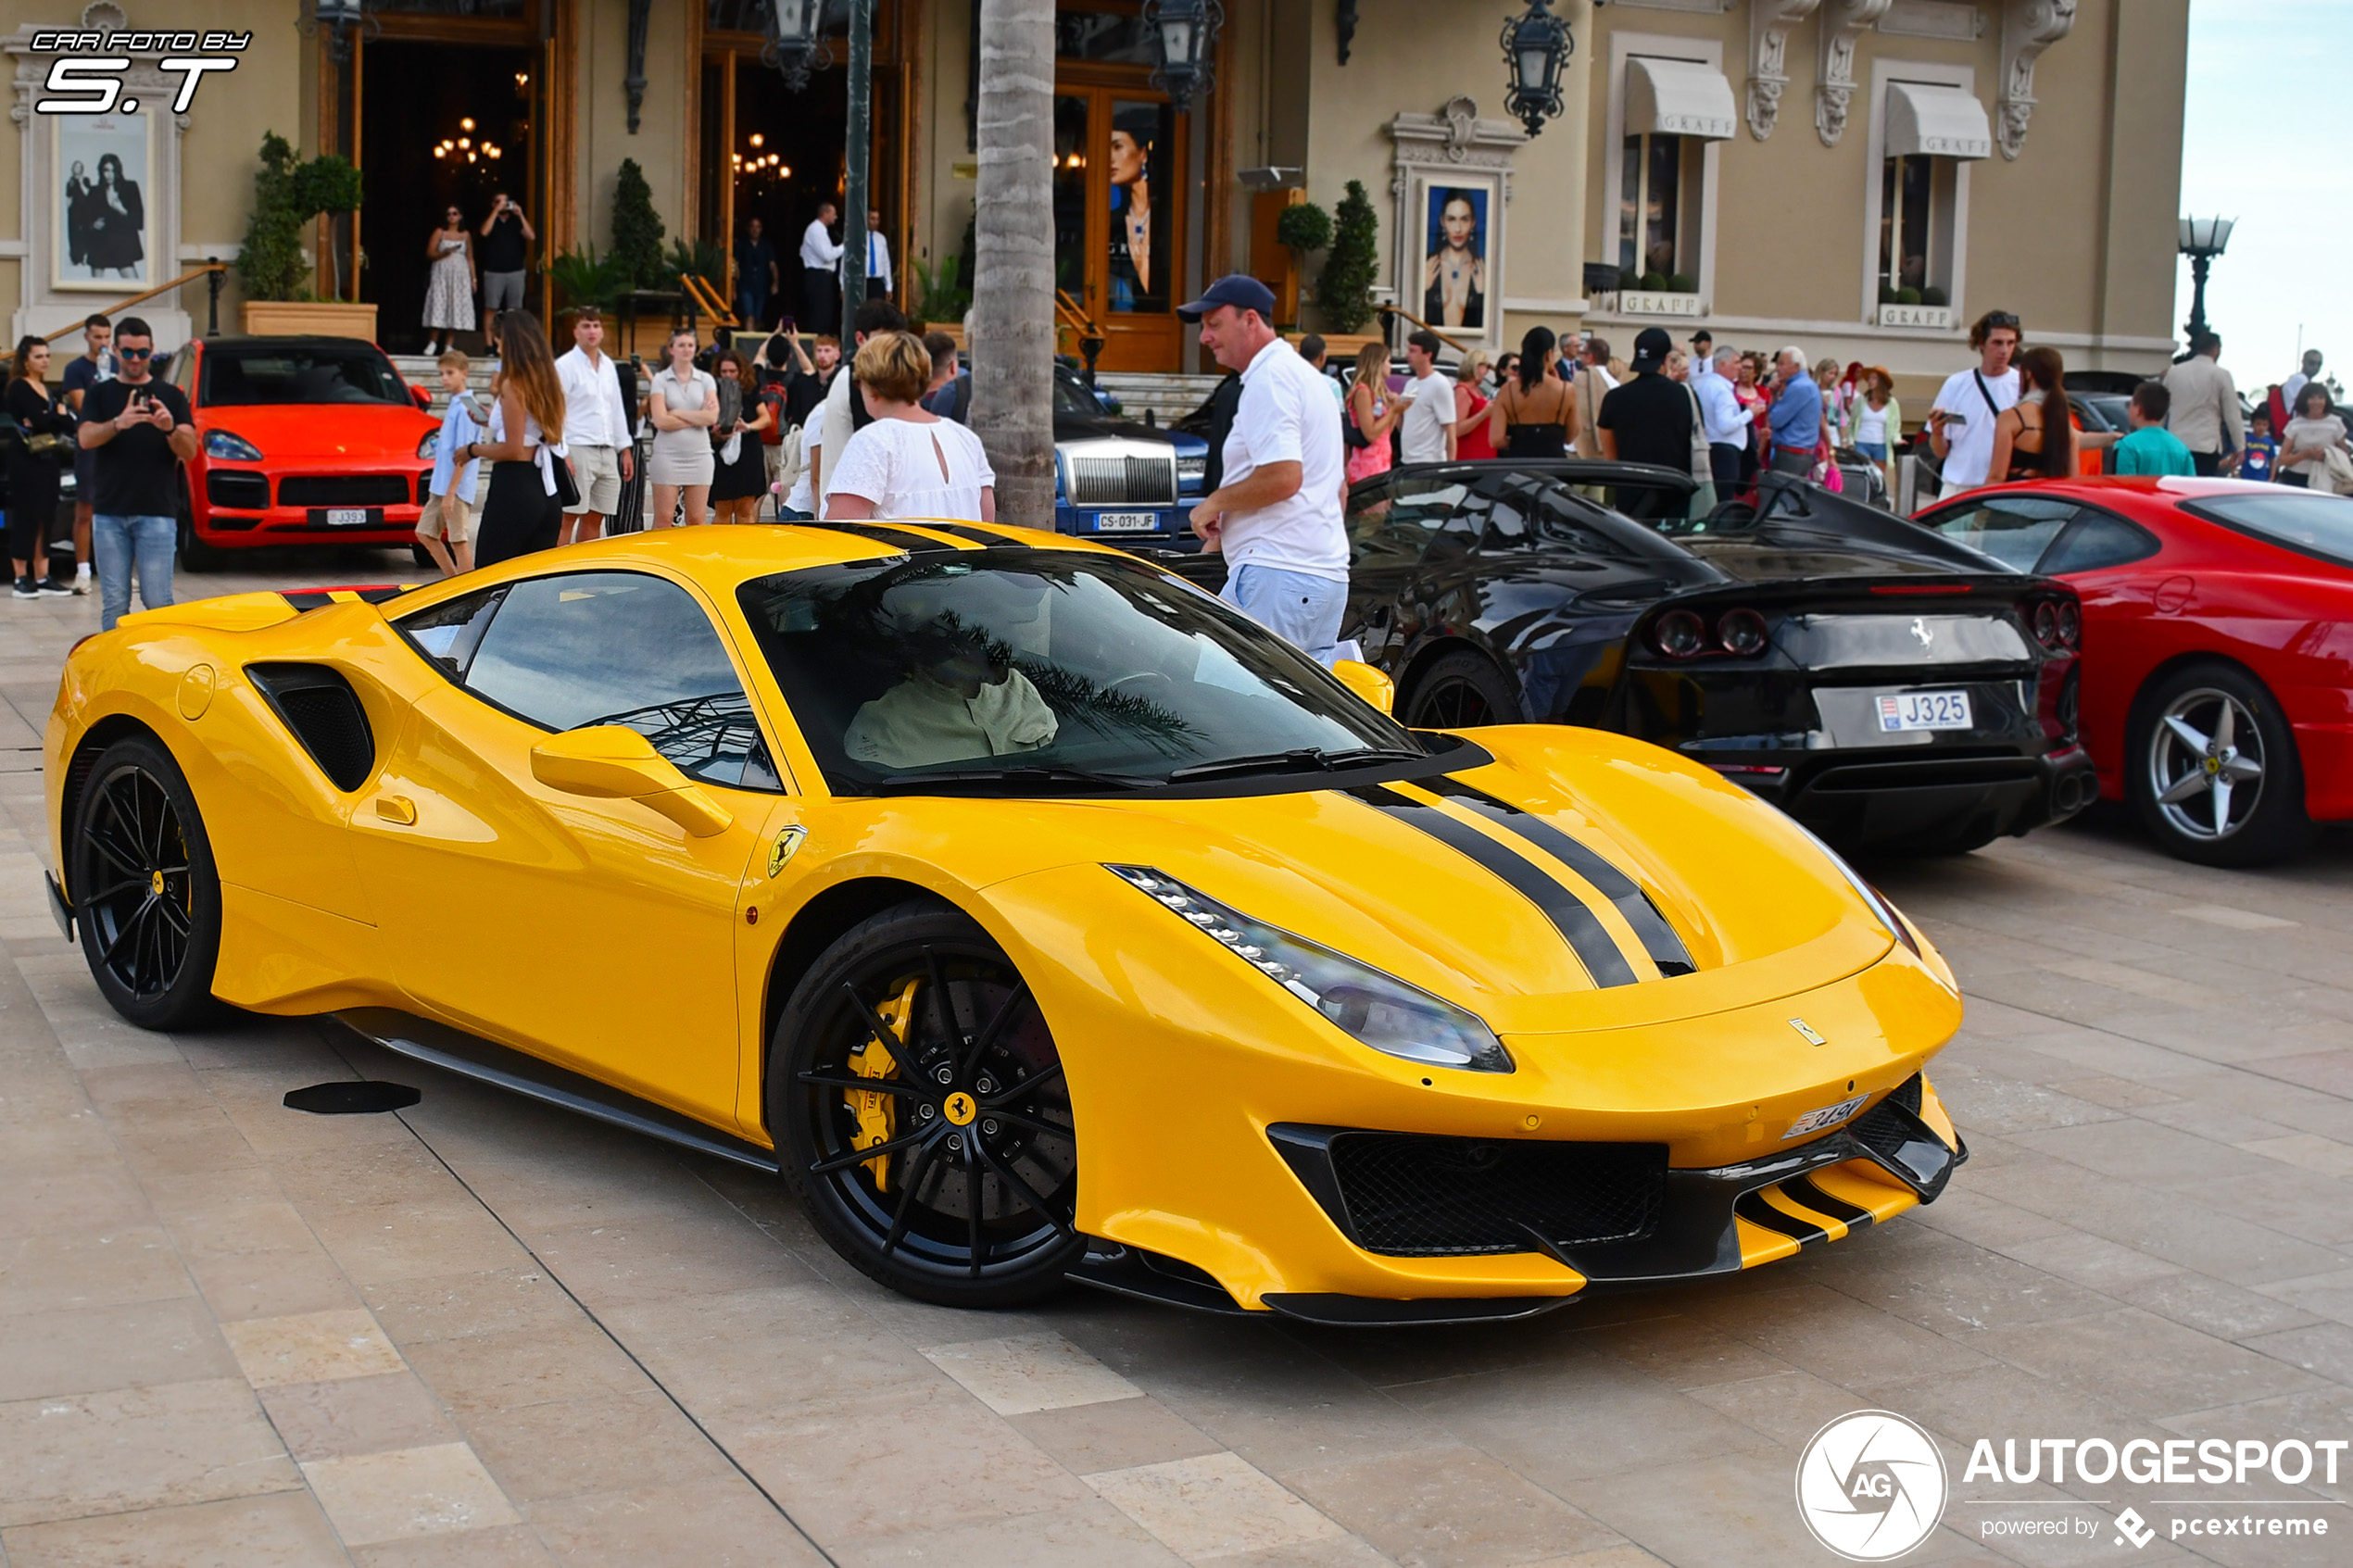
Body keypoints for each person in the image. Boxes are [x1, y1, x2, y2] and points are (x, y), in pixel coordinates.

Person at [1179, 275, 1350, 665]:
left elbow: (1284, 476)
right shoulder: (1311, 379)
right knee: (1302, 720)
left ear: (1251, 320)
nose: (1205, 337)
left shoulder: (1269, 378)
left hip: (1279, 576)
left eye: (1214, 324)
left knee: (1233, 710)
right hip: (1324, 578)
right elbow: (1337, 490)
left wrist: (1214, 504)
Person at [74, 318, 194, 631]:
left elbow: (190, 450)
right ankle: (115, 672)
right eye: (128, 352)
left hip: (157, 511)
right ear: (115, 350)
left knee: (157, 601)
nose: (136, 360)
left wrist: (169, 428)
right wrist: (119, 423)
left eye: (142, 353)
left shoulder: (171, 394)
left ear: (152, 350)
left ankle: (161, 671)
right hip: (110, 513)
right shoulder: (101, 394)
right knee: (115, 603)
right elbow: (85, 438)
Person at [824, 332, 997, 523]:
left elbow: (843, 532)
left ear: (872, 387)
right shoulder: (966, 439)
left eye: (859, 382)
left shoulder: (872, 440)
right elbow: (987, 525)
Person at [845, 623, 1055, 770]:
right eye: (977, 636)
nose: (1006, 649)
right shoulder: (883, 726)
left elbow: (1054, 751)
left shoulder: (1017, 687)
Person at [459, 312, 569, 565]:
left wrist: (473, 449)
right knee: (536, 582)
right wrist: (492, 419)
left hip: (515, 486)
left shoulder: (514, 384)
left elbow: (513, 448)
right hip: (546, 491)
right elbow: (529, 429)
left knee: (490, 575)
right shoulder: (548, 381)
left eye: (499, 342)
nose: (497, 349)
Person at [801, 299, 910, 515]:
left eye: (897, 341)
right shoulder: (860, 380)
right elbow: (873, 453)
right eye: (884, 340)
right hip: (856, 510)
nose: (892, 349)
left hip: (847, 504)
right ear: (861, 338)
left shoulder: (852, 376)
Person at [550, 307, 634, 546]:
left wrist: (625, 448)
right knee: (569, 515)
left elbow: (615, 408)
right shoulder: (565, 365)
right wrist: (562, 451)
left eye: (596, 326)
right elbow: (557, 410)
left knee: (595, 517)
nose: (592, 331)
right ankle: (557, 573)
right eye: (586, 326)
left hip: (606, 449)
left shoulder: (608, 365)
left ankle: (583, 574)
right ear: (576, 332)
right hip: (577, 446)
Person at [6, 339, 75, 597]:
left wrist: (52, 417)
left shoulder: (48, 390)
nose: (45, 360)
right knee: (27, 515)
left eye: (47, 355)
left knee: (46, 515)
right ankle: (21, 577)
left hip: (48, 457)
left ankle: (42, 575)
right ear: (26, 360)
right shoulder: (19, 387)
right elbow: (41, 420)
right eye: (38, 356)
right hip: (26, 458)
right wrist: (54, 416)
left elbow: (68, 424)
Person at [1927, 309, 2023, 495]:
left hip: (2001, 487)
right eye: (1997, 343)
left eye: (2010, 343)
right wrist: (1937, 432)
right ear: (1981, 343)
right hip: (1957, 486)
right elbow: (1941, 452)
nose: (2004, 350)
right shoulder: (1956, 384)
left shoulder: (2021, 386)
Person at [1596, 328, 1696, 483]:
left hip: (1630, 487)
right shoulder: (1685, 396)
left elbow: (1610, 456)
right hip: (1673, 486)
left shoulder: (1614, 398)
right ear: (1666, 359)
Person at [59, 314, 112, 595]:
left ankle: (117, 570)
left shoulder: (117, 364)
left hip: (117, 448)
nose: (103, 343)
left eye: (106, 337)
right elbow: (85, 409)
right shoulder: (76, 369)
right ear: (87, 337)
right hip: (90, 447)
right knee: (86, 510)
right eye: (97, 337)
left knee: (119, 509)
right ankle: (82, 570)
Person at [646, 327, 719, 528]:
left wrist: (676, 412)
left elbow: (712, 417)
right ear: (672, 349)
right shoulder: (661, 380)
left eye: (690, 345)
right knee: (664, 517)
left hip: (700, 455)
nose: (686, 349)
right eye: (681, 345)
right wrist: (697, 417)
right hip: (668, 456)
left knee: (696, 518)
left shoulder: (706, 380)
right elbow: (660, 420)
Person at [418, 351, 482, 577]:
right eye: (442, 373)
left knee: (458, 540)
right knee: (425, 533)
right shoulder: (459, 403)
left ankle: (467, 589)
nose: (444, 378)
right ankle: (453, 582)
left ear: (464, 374)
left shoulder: (467, 407)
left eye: (450, 373)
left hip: (455, 487)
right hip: (442, 485)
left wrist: (451, 493)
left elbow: (464, 454)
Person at [1987, 346, 2077, 483]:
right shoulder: (2065, 422)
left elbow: (1997, 476)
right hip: (2053, 499)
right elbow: (2073, 478)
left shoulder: (2012, 417)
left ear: (2028, 374)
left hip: (2015, 498)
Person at [2162, 331, 2245, 477]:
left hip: (2175, 443)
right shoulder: (2221, 375)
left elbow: (2161, 408)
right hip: (2205, 445)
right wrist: (2240, 446)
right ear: (2216, 350)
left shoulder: (2174, 372)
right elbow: (2232, 415)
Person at [1486, 326, 1577, 459]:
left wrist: (1519, 441)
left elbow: (1496, 440)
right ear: (1549, 354)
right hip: (1555, 466)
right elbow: (1571, 436)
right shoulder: (1565, 390)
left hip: (1519, 466)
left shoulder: (1508, 390)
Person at [708, 348, 774, 523]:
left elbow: (766, 419)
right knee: (722, 509)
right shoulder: (712, 393)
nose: (728, 375)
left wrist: (747, 426)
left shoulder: (749, 390)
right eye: (724, 372)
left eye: (732, 371)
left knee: (746, 510)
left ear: (740, 371)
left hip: (748, 451)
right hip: (720, 452)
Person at [1108, 114, 1157, 308]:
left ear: (1142, 154)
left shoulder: (1167, 217)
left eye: (1117, 147)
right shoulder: (1114, 220)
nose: (1110, 158)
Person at [476, 192, 535, 354]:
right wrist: (495, 212)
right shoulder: (491, 220)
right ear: (493, 204)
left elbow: (531, 236)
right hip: (494, 271)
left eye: (505, 202)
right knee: (491, 308)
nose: (503, 205)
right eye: (498, 202)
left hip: (515, 271)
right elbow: (484, 232)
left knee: (515, 311)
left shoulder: (516, 221)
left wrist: (521, 214)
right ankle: (489, 346)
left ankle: (513, 345)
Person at [1422, 191, 1485, 332]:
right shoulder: (1428, 266)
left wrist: (1482, 294)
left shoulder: (1481, 269)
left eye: (1464, 219)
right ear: (1442, 221)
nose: (1458, 229)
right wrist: (1423, 289)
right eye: (1451, 219)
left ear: (1473, 222)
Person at [421, 204, 476, 357]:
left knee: (455, 305)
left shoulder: (465, 235)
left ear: (460, 216)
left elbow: (470, 258)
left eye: (455, 213)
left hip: (459, 274)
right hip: (441, 273)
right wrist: (443, 253)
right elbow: (430, 253)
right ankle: (432, 342)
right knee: (439, 303)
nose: (451, 216)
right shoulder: (440, 232)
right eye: (449, 214)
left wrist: (474, 278)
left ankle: (448, 345)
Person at [1344, 342, 1402, 484]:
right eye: (1388, 361)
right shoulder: (1363, 392)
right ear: (1378, 363)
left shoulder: (1381, 390)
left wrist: (1394, 409)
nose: (1391, 366)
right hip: (1367, 465)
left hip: (1382, 460)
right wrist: (1393, 411)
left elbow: (1387, 431)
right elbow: (1370, 434)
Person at [2111, 382, 2196, 477]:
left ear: (2138, 410)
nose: (2128, 409)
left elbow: (2125, 486)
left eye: (2130, 404)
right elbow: (2191, 487)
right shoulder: (2182, 449)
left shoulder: (2127, 445)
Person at [1397, 331, 1456, 464]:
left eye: (1413, 351)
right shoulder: (1410, 384)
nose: (1408, 355)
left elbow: (1450, 431)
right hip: (1407, 460)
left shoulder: (1440, 384)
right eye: (1409, 350)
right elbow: (1405, 423)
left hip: (1429, 462)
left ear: (1428, 355)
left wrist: (1451, 467)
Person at [1692, 345, 1746, 488]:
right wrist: (1750, 413)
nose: (1740, 367)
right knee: (1724, 499)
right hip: (1725, 452)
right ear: (1722, 364)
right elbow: (1725, 426)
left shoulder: (1705, 385)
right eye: (1736, 363)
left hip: (1712, 448)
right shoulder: (1721, 390)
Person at [2278, 382, 2349, 490]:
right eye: (2312, 398)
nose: (2316, 402)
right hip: (2296, 479)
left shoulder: (2336, 423)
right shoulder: (2294, 425)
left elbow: (2344, 455)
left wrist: (2328, 455)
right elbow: (2282, 459)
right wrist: (2306, 454)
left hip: (2327, 479)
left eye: (2320, 398)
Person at [82, 155, 144, 279]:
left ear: (118, 171)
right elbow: (84, 220)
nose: (109, 174)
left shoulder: (130, 187)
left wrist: (121, 209)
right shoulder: (95, 191)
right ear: (101, 171)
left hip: (121, 245)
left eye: (113, 170)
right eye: (106, 170)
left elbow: (139, 221)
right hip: (99, 244)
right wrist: (93, 225)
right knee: (95, 289)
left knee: (134, 285)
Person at [1765, 346, 1822, 475]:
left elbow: (1775, 420)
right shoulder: (1808, 384)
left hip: (1791, 455)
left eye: (1782, 364)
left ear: (1796, 367)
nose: (1777, 368)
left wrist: (1773, 395)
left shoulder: (1798, 387)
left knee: (1781, 494)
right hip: (1801, 453)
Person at [1852, 367, 1901, 495]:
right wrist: (1850, 440)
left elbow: (1895, 425)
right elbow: (1853, 421)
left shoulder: (1892, 403)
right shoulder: (1861, 400)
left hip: (1881, 443)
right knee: (1864, 474)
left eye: (1874, 378)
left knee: (1878, 478)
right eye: (1869, 378)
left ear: (1881, 381)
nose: (1870, 381)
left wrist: (1897, 439)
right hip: (1862, 441)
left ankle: (1876, 500)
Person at [1569, 336, 1616, 458]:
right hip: (1606, 449)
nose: (1580, 356)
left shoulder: (1580, 378)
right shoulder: (1615, 384)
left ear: (1590, 357)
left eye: (1582, 353)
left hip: (1578, 447)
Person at [801, 202, 845, 330]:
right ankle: (816, 346)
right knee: (820, 315)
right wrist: (845, 247)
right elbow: (827, 255)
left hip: (822, 278)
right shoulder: (816, 229)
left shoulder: (821, 230)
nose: (836, 217)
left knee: (825, 314)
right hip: (818, 277)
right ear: (825, 214)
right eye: (833, 213)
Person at [736, 217, 779, 330]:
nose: (755, 230)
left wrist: (775, 283)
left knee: (758, 318)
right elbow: (735, 266)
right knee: (749, 315)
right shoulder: (741, 245)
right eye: (752, 227)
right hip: (745, 284)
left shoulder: (766, 245)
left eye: (758, 227)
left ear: (761, 229)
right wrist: (732, 288)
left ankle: (755, 342)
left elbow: (772, 265)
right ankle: (748, 345)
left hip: (762, 286)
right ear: (748, 229)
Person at [1732, 352, 1768, 482]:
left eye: (1748, 368)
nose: (1743, 371)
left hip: (1758, 445)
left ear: (1756, 372)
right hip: (1738, 443)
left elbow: (1767, 422)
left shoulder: (1764, 392)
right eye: (1742, 366)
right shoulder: (1731, 389)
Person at [1453, 351, 1494, 460]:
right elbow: (1457, 429)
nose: (1487, 371)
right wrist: (1483, 414)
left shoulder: (1477, 390)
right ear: (1476, 366)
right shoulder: (1462, 391)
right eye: (1487, 366)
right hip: (1469, 456)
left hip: (1484, 455)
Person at [2238, 405, 2278, 483]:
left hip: (2262, 479)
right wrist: (2235, 473)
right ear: (2252, 424)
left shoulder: (2269, 443)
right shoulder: (2246, 439)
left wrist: (2272, 477)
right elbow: (2236, 456)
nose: (2261, 427)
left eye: (2264, 424)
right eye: (2258, 424)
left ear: (2268, 426)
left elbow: (2272, 461)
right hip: (2246, 478)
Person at [861, 210, 892, 301]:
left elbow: (886, 263)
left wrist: (889, 287)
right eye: (872, 219)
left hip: (878, 282)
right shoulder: (859, 237)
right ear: (866, 220)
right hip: (863, 281)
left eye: (877, 219)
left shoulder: (882, 239)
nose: (875, 222)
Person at [2283, 349, 2323, 415]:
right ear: (2303, 362)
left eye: (2319, 364)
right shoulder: (2301, 379)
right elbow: (2304, 406)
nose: (2316, 367)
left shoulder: (2299, 378)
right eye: (2312, 363)